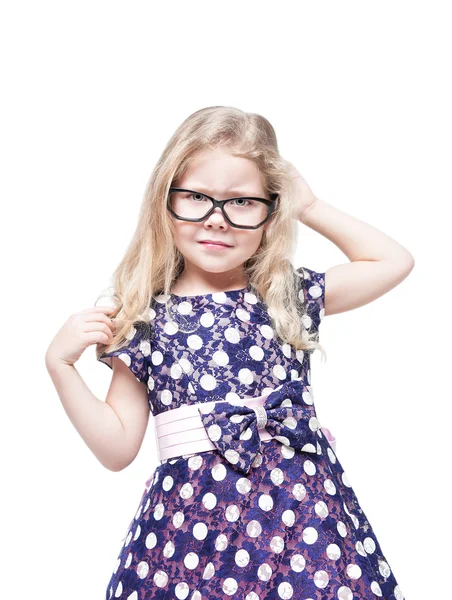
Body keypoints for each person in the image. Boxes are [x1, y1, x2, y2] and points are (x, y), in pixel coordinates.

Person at [45, 106, 413, 600]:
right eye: (196, 198)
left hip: (303, 526)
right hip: (193, 535)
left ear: (270, 211)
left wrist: (309, 205)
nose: (217, 220)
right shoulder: (144, 318)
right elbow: (116, 449)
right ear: (164, 200)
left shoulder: (287, 296)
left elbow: (393, 261)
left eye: (242, 202)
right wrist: (61, 366)